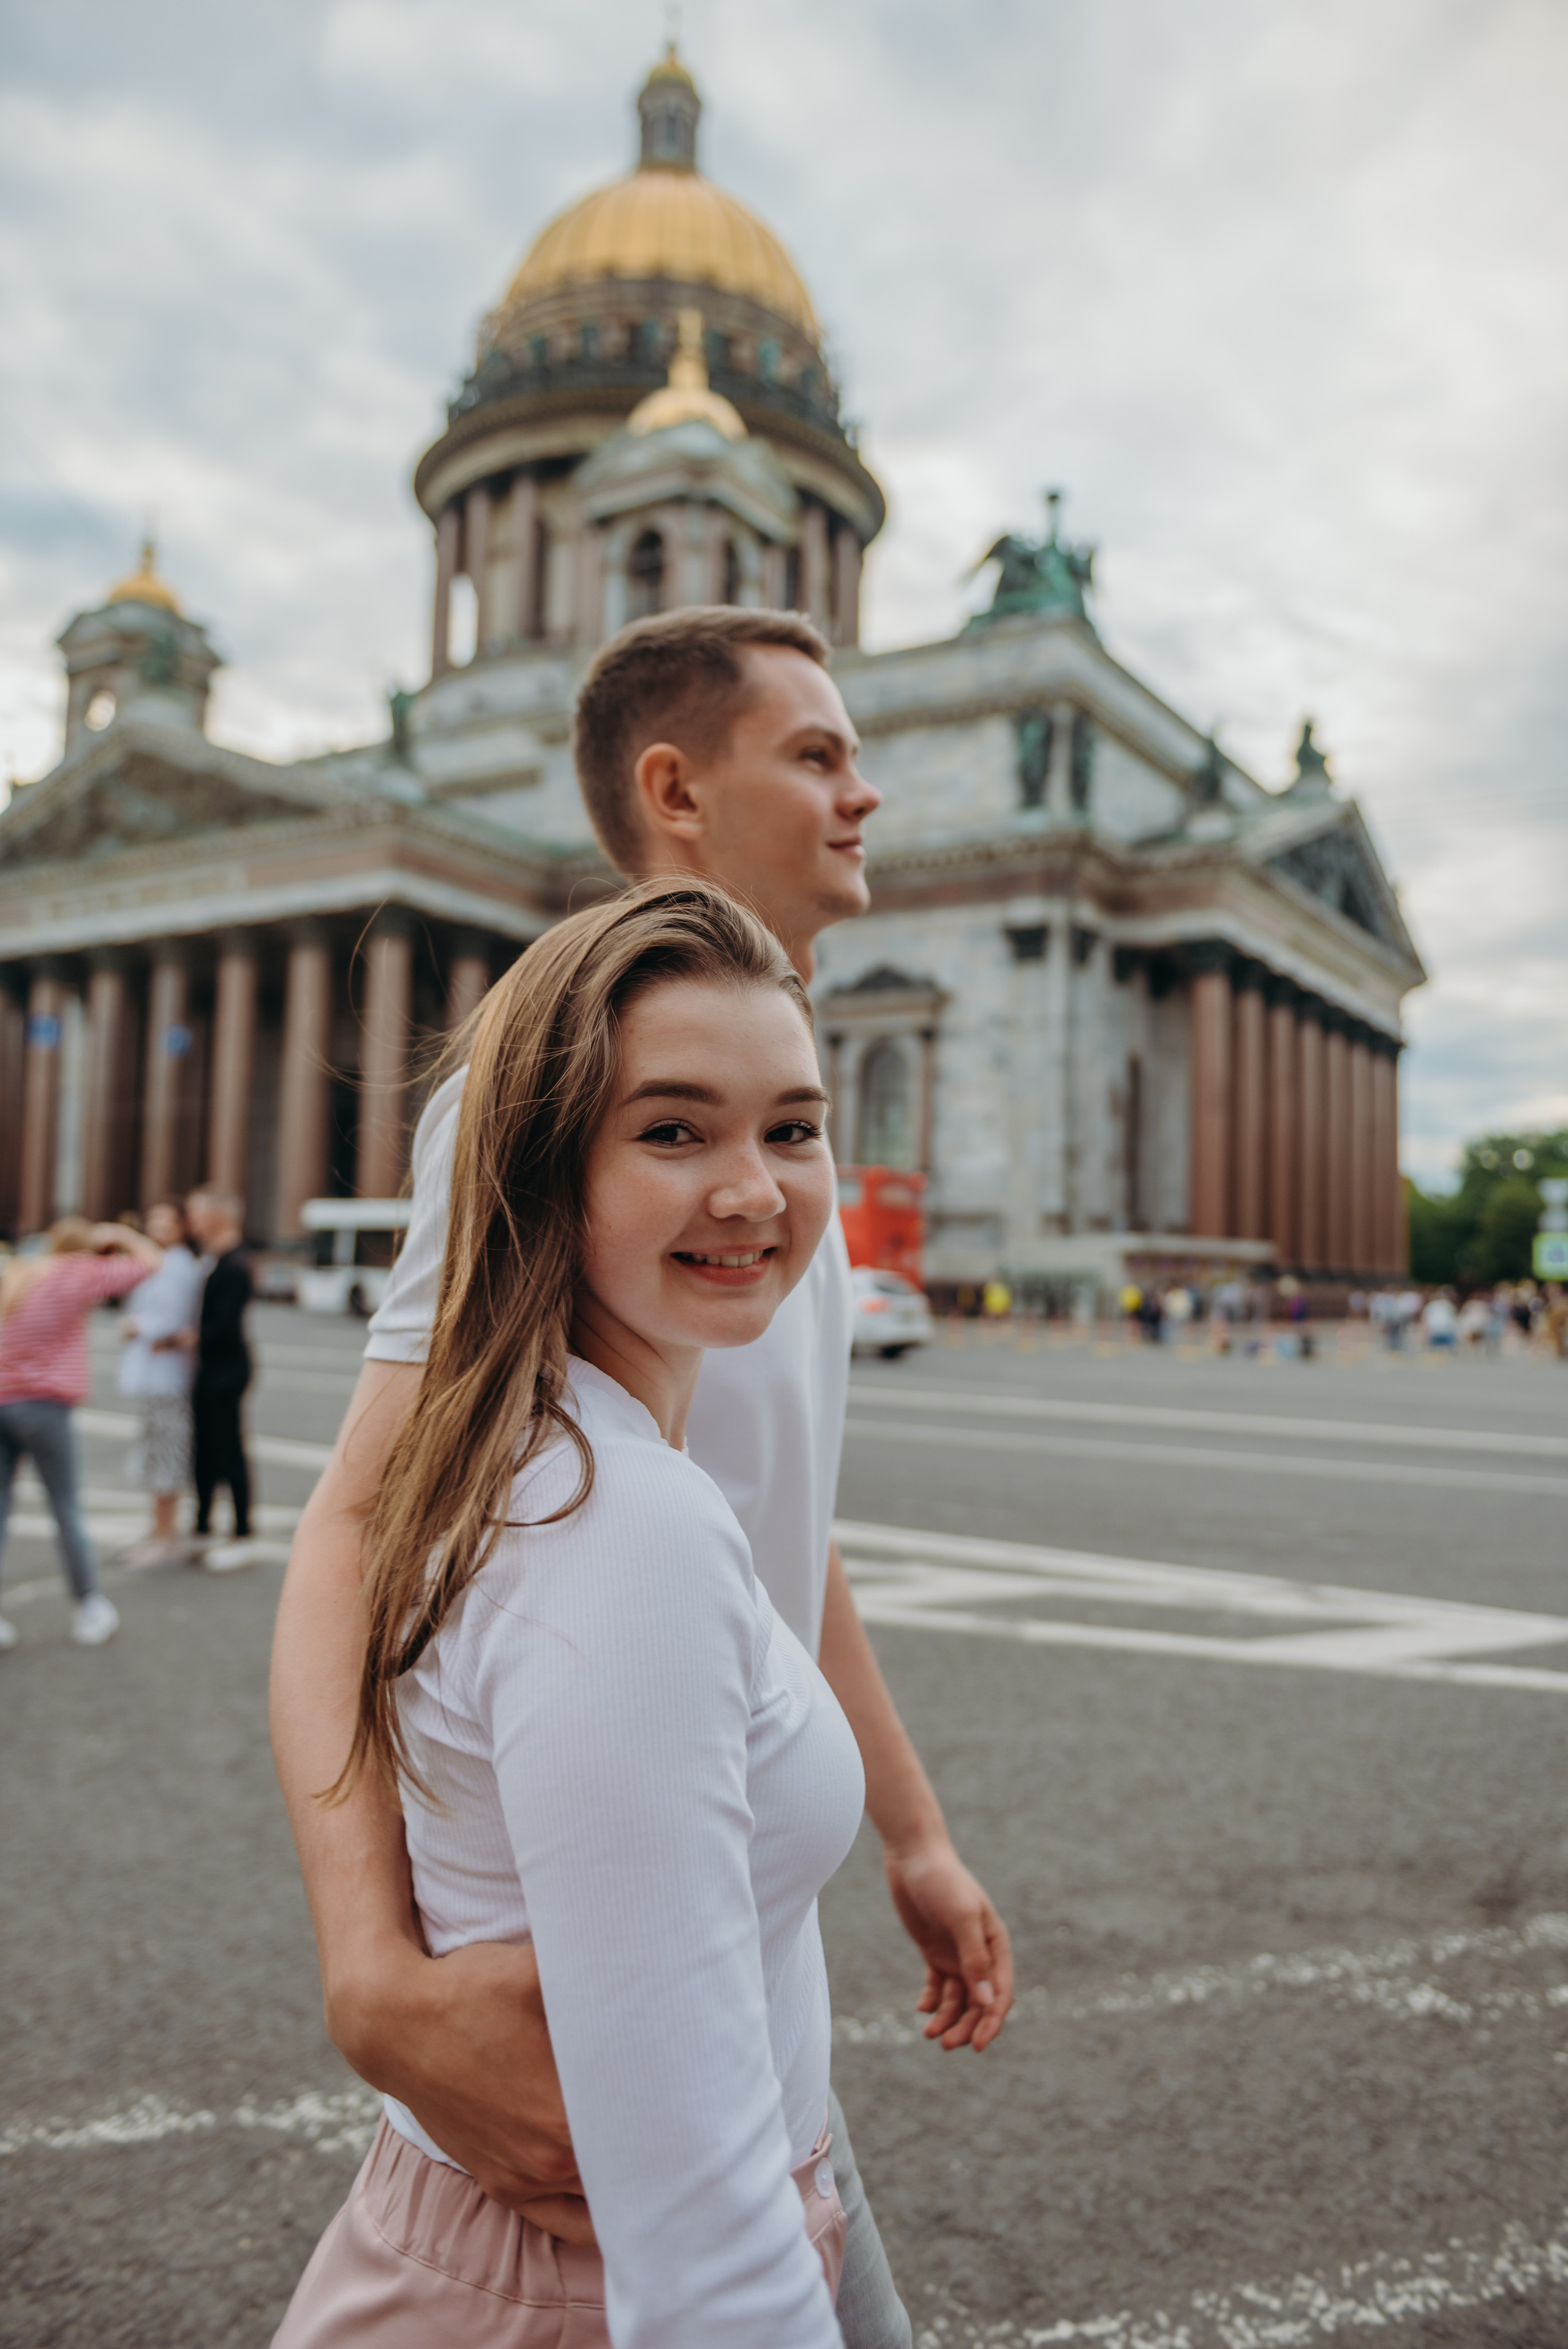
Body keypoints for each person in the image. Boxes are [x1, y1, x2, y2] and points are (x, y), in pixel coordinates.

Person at [270, 609, 1012, 2349]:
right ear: (677, 787)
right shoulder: (565, 1074)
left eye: (788, 1132)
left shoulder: (763, 1124)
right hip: (636, 2071)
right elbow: (363, 1516)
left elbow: (784, 1541)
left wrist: (910, 1834)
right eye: (818, 754)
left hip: (753, 1997)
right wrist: (370, 1971)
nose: (865, 793)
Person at [274, 880, 864, 2345]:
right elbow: (707, 2258)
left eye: (791, 1128)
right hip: (563, 2287)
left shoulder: (547, 1450)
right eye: (673, 1130)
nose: (752, 1189)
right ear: (546, 1169)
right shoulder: (619, 1514)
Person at [0, 1216, 164, 1649]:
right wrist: (121, 1236)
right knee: (66, 1509)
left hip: (2, 1399)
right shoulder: (74, 1273)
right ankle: (89, 1606)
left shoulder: (19, 1272)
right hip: (45, 1404)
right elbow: (151, 1263)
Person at [116, 1198, 205, 1567]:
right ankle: (158, 1530)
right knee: (155, 1452)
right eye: (153, 1219)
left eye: (166, 1221)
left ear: (182, 1226)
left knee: (167, 1454)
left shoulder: (180, 1266)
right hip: (153, 1375)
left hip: (169, 1376)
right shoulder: (159, 1263)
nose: (158, 1226)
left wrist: (138, 1327)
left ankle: (166, 1535)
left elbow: (171, 1319)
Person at [186, 1188, 255, 1564]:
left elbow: (225, 1325)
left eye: (197, 1212)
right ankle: (202, 1524)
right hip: (211, 1366)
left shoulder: (235, 1263)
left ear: (219, 1216)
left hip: (226, 1368)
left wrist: (188, 1337)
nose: (192, 1220)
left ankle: (243, 1531)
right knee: (205, 1449)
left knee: (228, 1447)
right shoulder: (214, 1260)